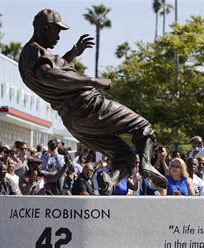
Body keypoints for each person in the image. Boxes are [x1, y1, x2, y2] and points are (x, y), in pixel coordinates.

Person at [19, 9, 167, 195]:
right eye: (56, 31)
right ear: (45, 27)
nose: (58, 36)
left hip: (73, 121)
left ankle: (110, 180)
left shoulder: (32, 57)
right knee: (143, 127)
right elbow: (49, 76)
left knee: (126, 157)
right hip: (88, 106)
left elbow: (54, 68)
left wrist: (73, 53)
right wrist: (93, 81)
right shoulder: (34, 49)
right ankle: (146, 164)